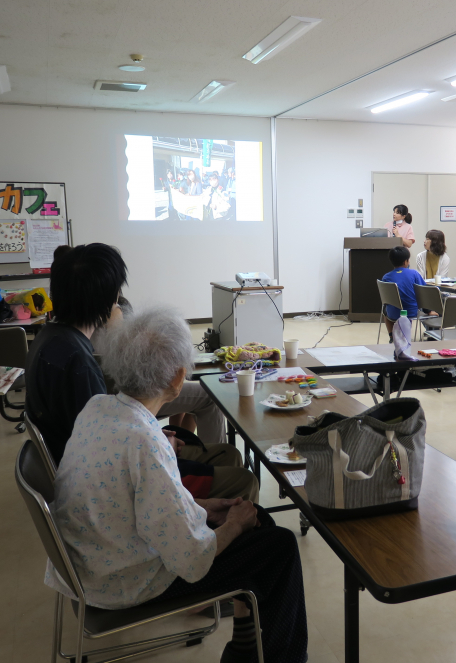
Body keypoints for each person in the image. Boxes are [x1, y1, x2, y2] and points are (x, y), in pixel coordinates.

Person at [50, 307, 307, 663]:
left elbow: (141, 504)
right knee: (278, 545)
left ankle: (247, 643)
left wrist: (205, 507)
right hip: (126, 580)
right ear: (177, 378)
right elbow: (191, 556)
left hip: (93, 561)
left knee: (253, 517)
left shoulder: (98, 408)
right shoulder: (146, 441)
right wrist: (232, 525)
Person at [24, 243, 257, 501]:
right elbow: (104, 455)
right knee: (243, 479)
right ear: (109, 298)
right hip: (122, 484)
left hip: (98, 467)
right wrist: (157, 444)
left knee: (228, 454)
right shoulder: (78, 362)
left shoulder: (50, 339)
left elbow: (107, 432)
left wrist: (154, 434)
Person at [381, 245, 426, 336]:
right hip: (411, 312)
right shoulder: (414, 273)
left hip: (393, 313)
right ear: (406, 262)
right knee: (413, 305)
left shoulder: (386, 277)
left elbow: (386, 299)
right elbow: (424, 293)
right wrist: (428, 311)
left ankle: (392, 336)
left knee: (385, 310)